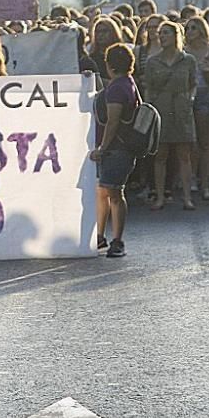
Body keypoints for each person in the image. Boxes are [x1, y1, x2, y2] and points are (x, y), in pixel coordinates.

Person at [90, 43, 139, 258]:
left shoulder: (118, 88)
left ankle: (117, 240)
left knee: (115, 193)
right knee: (103, 191)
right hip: (121, 148)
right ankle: (99, 236)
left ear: (109, 65)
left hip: (118, 149)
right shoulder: (125, 83)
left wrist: (103, 148)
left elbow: (113, 122)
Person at [145, 21, 197, 210]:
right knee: (161, 154)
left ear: (176, 35)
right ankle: (160, 196)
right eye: (161, 33)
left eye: (166, 33)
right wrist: (149, 111)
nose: (162, 36)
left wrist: (190, 99)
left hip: (182, 109)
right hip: (161, 108)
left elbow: (193, 83)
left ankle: (187, 197)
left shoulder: (188, 60)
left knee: (184, 154)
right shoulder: (152, 61)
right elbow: (148, 88)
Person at [185, 16, 209, 200]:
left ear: (202, 30)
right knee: (190, 143)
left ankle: (205, 184)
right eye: (187, 28)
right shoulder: (184, 52)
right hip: (188, 97)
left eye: (193, 28)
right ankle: (192, 179)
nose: (189, 32)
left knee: (206, 142)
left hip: (206, 94)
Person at [88, 16, 123, 84]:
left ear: (113, 32)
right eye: (97, 32)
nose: (100, 35)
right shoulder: (92, 58)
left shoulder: (121, 54)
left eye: (104, 31)